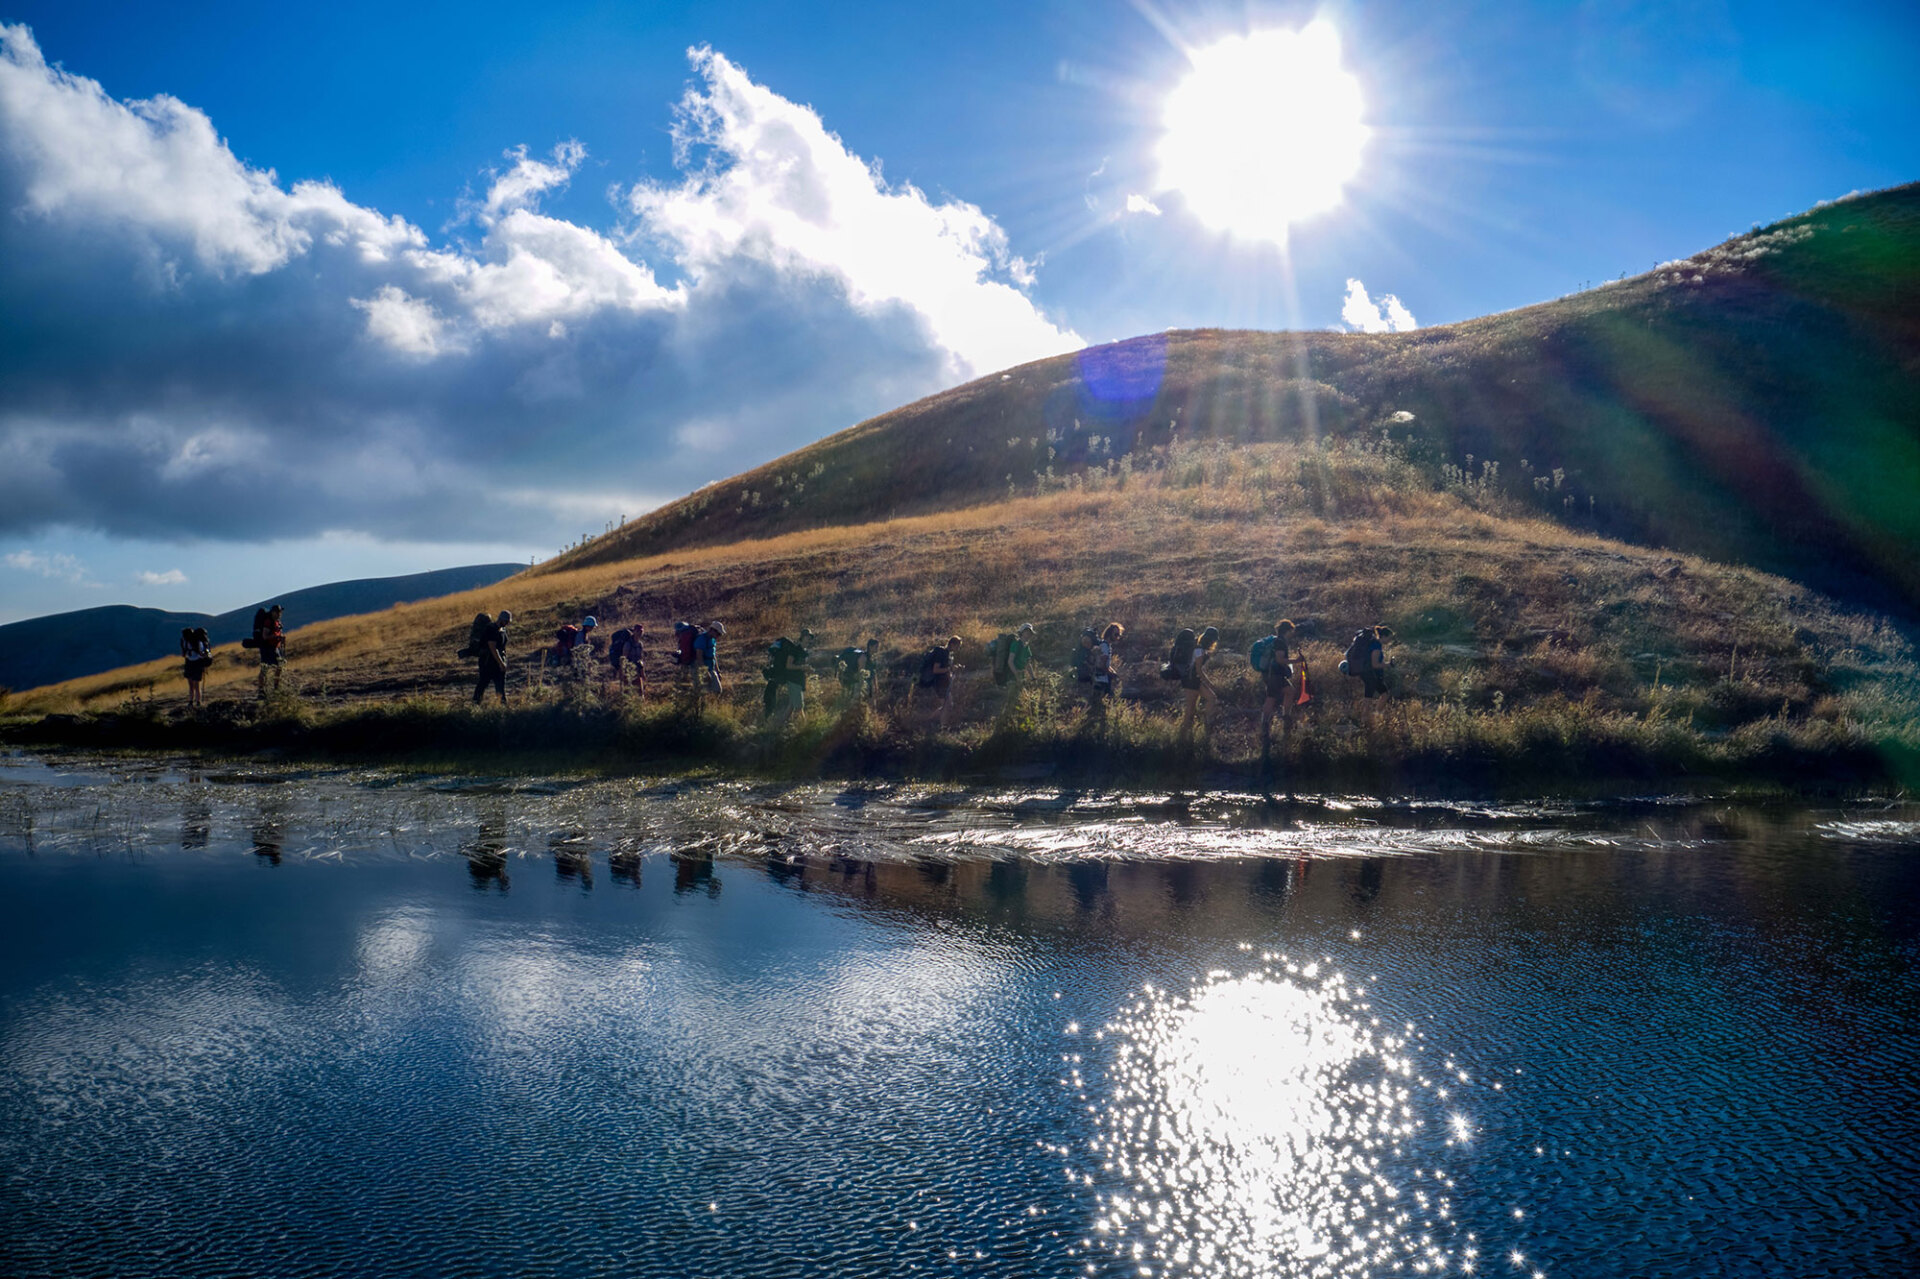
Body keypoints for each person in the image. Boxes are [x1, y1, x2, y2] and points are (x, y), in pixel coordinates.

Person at [1256, 619, 1302, 751]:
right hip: (1275, 675)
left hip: (1273, 675)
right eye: (1291, 631)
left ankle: (1282, 718)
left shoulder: (1277, 641)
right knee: (1272, 698)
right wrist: (1297, 660)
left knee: (1288, 692)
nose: (1291, 634)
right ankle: (1268, 723)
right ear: (1287, 630)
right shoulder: (1280, 642)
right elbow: (1280, 659)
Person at [1177, 625, 1221, 742]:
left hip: (1193, 680)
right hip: (1191, 681)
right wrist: (1209, 683)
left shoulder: (1199, 649)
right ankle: (1182, 738)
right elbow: (1198, 670)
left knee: (1211, 698)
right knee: (1190, 710)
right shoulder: (1199, 650)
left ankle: (1205, 722)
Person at [762, 628, 814, 720]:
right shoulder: (795, 650)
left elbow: (799, 666)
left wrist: (807, 669)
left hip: (799, 681)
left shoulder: (804, 651)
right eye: (807, 636)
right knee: (799, 706)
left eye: (810, 637)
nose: (809, 639)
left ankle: (781, 725)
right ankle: (802, 725)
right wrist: (803, 667)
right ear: (802, 637)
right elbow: (788, 665)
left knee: (792, 705)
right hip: (793, 681)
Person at [917, 635, 963, 727]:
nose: (958, 649)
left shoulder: (948, 655)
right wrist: (950, 668)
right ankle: (943, 726)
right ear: (953, 644)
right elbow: (936, 670)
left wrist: (953, 669)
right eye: (958, 646)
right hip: (939, 683)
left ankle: (929, 720)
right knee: (947, 705)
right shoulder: (942, 653)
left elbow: (945, 669)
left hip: (944, 683)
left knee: (948, 705)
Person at [1340, 625, 1395, 699]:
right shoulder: (1376, 647)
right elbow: (1375, 664)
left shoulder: (1374, 643)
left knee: (1380, 695)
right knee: (1374, 697)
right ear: (1384, 636)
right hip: (1370, 673)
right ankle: (1369, 711)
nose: (1390, 640)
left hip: (1367, 673)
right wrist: (1389, 664)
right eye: (1389, 638)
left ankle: (1374, 711)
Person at [473, 609, 512, 704]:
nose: (507, 623)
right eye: (506, 621)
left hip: (498, 662)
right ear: (501, 619)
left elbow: (502, 647)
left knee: (500, 686)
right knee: (483, 683)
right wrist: (501, 663)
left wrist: (503, 661)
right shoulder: (491, 629)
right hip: (488, 663)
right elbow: (493, 648)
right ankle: (475, 704)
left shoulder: (503, 630)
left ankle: (502, 705)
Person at [835, 636, 882, 703]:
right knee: (855, 700)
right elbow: (860, 674)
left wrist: (876, 687)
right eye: (876, 647)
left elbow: (874, 673)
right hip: (858, 684)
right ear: (870, 647)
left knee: (871, 700)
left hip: (868, 684)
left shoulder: (872, 659)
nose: (877, 649)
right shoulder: (863, 657)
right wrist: (862, 688)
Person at [987, 623, 1036, 687]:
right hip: (1011, 675)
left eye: (1030, 633)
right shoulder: (1015, 644)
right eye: (1027, 632)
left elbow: (1028, 664)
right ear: (1022, 633)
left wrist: (1033, 678)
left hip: (1020, 675)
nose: (1029, 635)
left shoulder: (1027, 647)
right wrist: (1017, 675)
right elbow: (1010, 662)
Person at [253, 604, 285, 695]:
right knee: (265, 668)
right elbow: (265, 636)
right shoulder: (268, 622)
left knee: (278, 667)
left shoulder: (277, 622)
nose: (279, 614)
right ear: (273, 612)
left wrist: (279, 638)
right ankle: (262, 691)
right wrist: (276, 637)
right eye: (278, 612)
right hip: (267, 647)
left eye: (280, 612)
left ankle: (275, 688)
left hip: (274, 647)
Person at [607, 623, 645, 698]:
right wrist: (622, 672)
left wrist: (642, 672)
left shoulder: (640, 644)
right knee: (626, 690)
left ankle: (640, 706)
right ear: (634, 632)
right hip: (627, 670)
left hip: (636, 670)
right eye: (638, 631)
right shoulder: (628, 644)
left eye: (641, 631)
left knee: (640, 691)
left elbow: (640, 658)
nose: (640, 633)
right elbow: (623, 659)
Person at [180, 626, 212, 707]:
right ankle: (198, 702)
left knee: (190, 685)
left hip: (188, 663)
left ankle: (190, 701)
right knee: (197, 685)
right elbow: (201, 654)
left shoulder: (184, 642)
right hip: (197, 663)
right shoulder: (198, 642)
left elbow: (183, 655)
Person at [1092, 623, 1123, 702]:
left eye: (1118, 635)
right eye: (1116, 634)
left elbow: (1106, 664)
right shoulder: (1105, 647)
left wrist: (1113, 672)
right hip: (1101, 680)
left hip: (1100, 679)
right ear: (1109, 634)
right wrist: (1111, 674)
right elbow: (1102, 665)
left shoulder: (1105, 645)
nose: (1117, 637)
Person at [693, 621, 725, 694]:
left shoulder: (713, 640)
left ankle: (712, 704)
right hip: (701, 670)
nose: (719, 636)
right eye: (718, 634)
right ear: (712, 630)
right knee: (703, 693)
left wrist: (718, 671)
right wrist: (705, 672)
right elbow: (699, 657)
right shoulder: (701, 639)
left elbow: (713, 656)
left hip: (711, 668)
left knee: (717, 691)